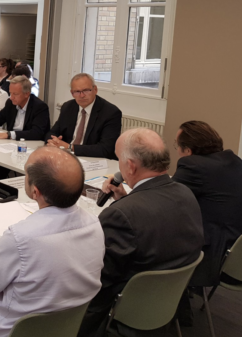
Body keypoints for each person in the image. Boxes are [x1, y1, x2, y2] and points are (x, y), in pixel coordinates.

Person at [0, 147, 105, 337]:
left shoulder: (21, 237)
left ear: (35, 192)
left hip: (8, 333)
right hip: (67, 326)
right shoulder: (94, 224)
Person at [78, 128, 204, 336]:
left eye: (119, 159)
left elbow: (99, 279)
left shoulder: (121, 215)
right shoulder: (185, 193)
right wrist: (125, 199)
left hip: (124, 311)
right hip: (167, 304)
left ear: (130, 166)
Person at [172, 121, 242, 288]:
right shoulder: (235, 161)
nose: (177, 151)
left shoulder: (192, 165)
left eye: (177, 146)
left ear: (188, 151)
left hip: (214, 258)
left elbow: (165, 200)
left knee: (155, 236)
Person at [45, 73, 122, 160]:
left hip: (94, 160)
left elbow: (105, 148)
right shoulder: (68, 107)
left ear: (95, 90)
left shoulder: (111, 112)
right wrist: (54, 142)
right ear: (72, 93)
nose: (82, 95)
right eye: (77, 92)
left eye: (86, 90)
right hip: (67, 157)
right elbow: (52, 133)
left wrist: (70, 147)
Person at [0, 75, 50, 141]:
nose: (11, 97)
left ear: (27, 94)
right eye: (10, 93)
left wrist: (8, 134)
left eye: (15, 94)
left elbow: (37, 132)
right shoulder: (10, 103)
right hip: (11, 142)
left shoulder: (40, 107)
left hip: (30, 144)